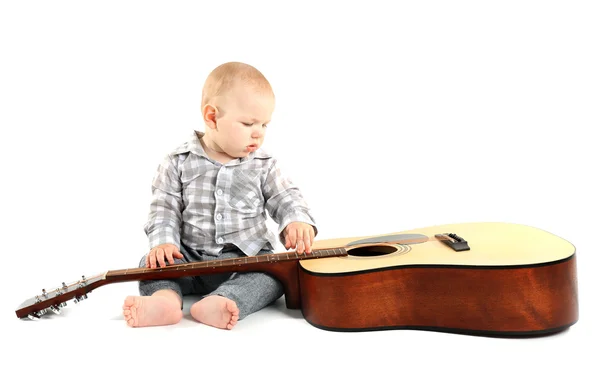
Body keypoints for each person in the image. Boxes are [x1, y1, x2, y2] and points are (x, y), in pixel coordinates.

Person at [122, 61, 318, 329]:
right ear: (212, 117)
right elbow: (164, 207)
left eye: (264, 124)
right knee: (149, 264)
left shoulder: (264, 164)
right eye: (248, 123)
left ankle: (225, 299)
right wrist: (163, 243)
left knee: (273, 276)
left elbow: (285, 196)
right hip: (187, 260)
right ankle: (165, 301)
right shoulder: (177, 161)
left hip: (243, 261)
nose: (258, 133)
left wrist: (296, 221)